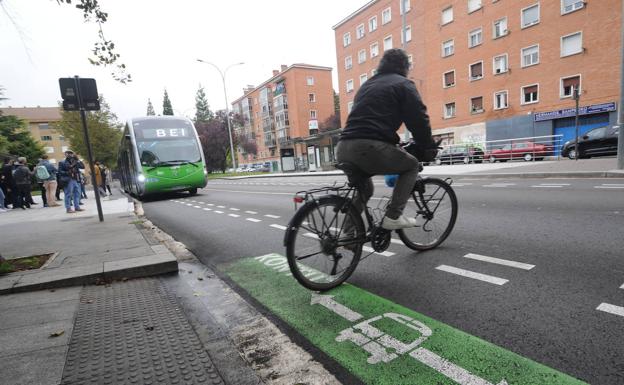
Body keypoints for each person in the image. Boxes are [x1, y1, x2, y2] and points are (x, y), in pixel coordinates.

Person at [336, 48, 436, 230]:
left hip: (343, 147)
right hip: (368, 146)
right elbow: (418, 119)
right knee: (411, 166)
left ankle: (346, 236)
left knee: (365, 190)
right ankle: (393, 216)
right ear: (405, 67)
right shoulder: (404, 84)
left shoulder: (367, 85)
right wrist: (427, 147)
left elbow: (370, 118)